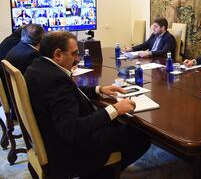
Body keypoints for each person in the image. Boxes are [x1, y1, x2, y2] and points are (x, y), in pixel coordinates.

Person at [24, 31, 150, 178]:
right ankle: (104, 173)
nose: (77, 59)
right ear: (58, 55)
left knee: (117, 124)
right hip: (70, 152)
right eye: (75, 54)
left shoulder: (37, 68)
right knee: (140, 135)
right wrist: (114, 109)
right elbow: (71, 129)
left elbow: (69, 91)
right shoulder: (56, 81)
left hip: (53, 137)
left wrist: (99, 89)